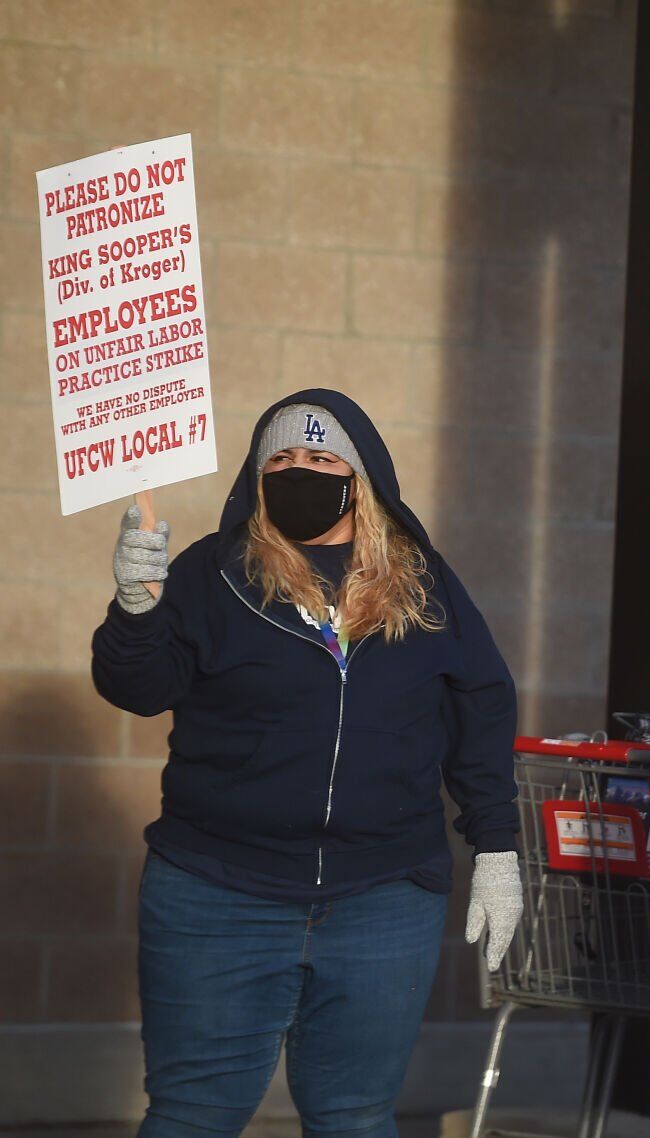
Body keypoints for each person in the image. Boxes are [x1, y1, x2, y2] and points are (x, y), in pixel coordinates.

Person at [94, 391, 524, 1138]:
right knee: (193, 1115)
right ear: (256, 479)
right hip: (217, 896)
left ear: (361, 478)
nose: (301, 473)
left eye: (322, 459)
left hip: (382, 900)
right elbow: (136, 687)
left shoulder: (422, 586)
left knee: (355, 1117)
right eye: (282, 461)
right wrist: (136, 607)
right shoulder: (212, 574)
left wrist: (496, 845)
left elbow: (481, 706)